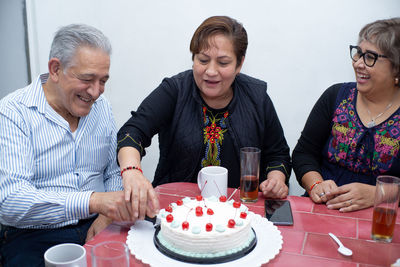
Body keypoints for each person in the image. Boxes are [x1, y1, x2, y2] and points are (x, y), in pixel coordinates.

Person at [0, 24, 158, 266]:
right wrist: (94, 201)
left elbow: (113, 171)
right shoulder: (13, 112)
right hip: (35, 236)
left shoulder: (101, 107)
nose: (95, 92)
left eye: (103, 80)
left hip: (102, 223)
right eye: (87, 79)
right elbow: (11, 201)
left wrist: (105, 215)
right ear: (55, 69)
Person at [117, 16, 291, 220]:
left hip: (239, 214)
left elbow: (277, 154)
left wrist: (276, 179)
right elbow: (133, 131)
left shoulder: (257, 97)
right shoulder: (175, 90)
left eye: (223, 62)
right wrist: (131, 170)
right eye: (202, 60)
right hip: (176, 211)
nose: (210, 71)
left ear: (240, 63)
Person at [292, 18, 400, 212]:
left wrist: (378, 194)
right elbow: (303, 154)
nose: (358, 63)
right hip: (323, 209)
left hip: (380, 220)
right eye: (358, 53)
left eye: (370, 57)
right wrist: (317, 185)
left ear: (397, 67)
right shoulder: (335, 96)